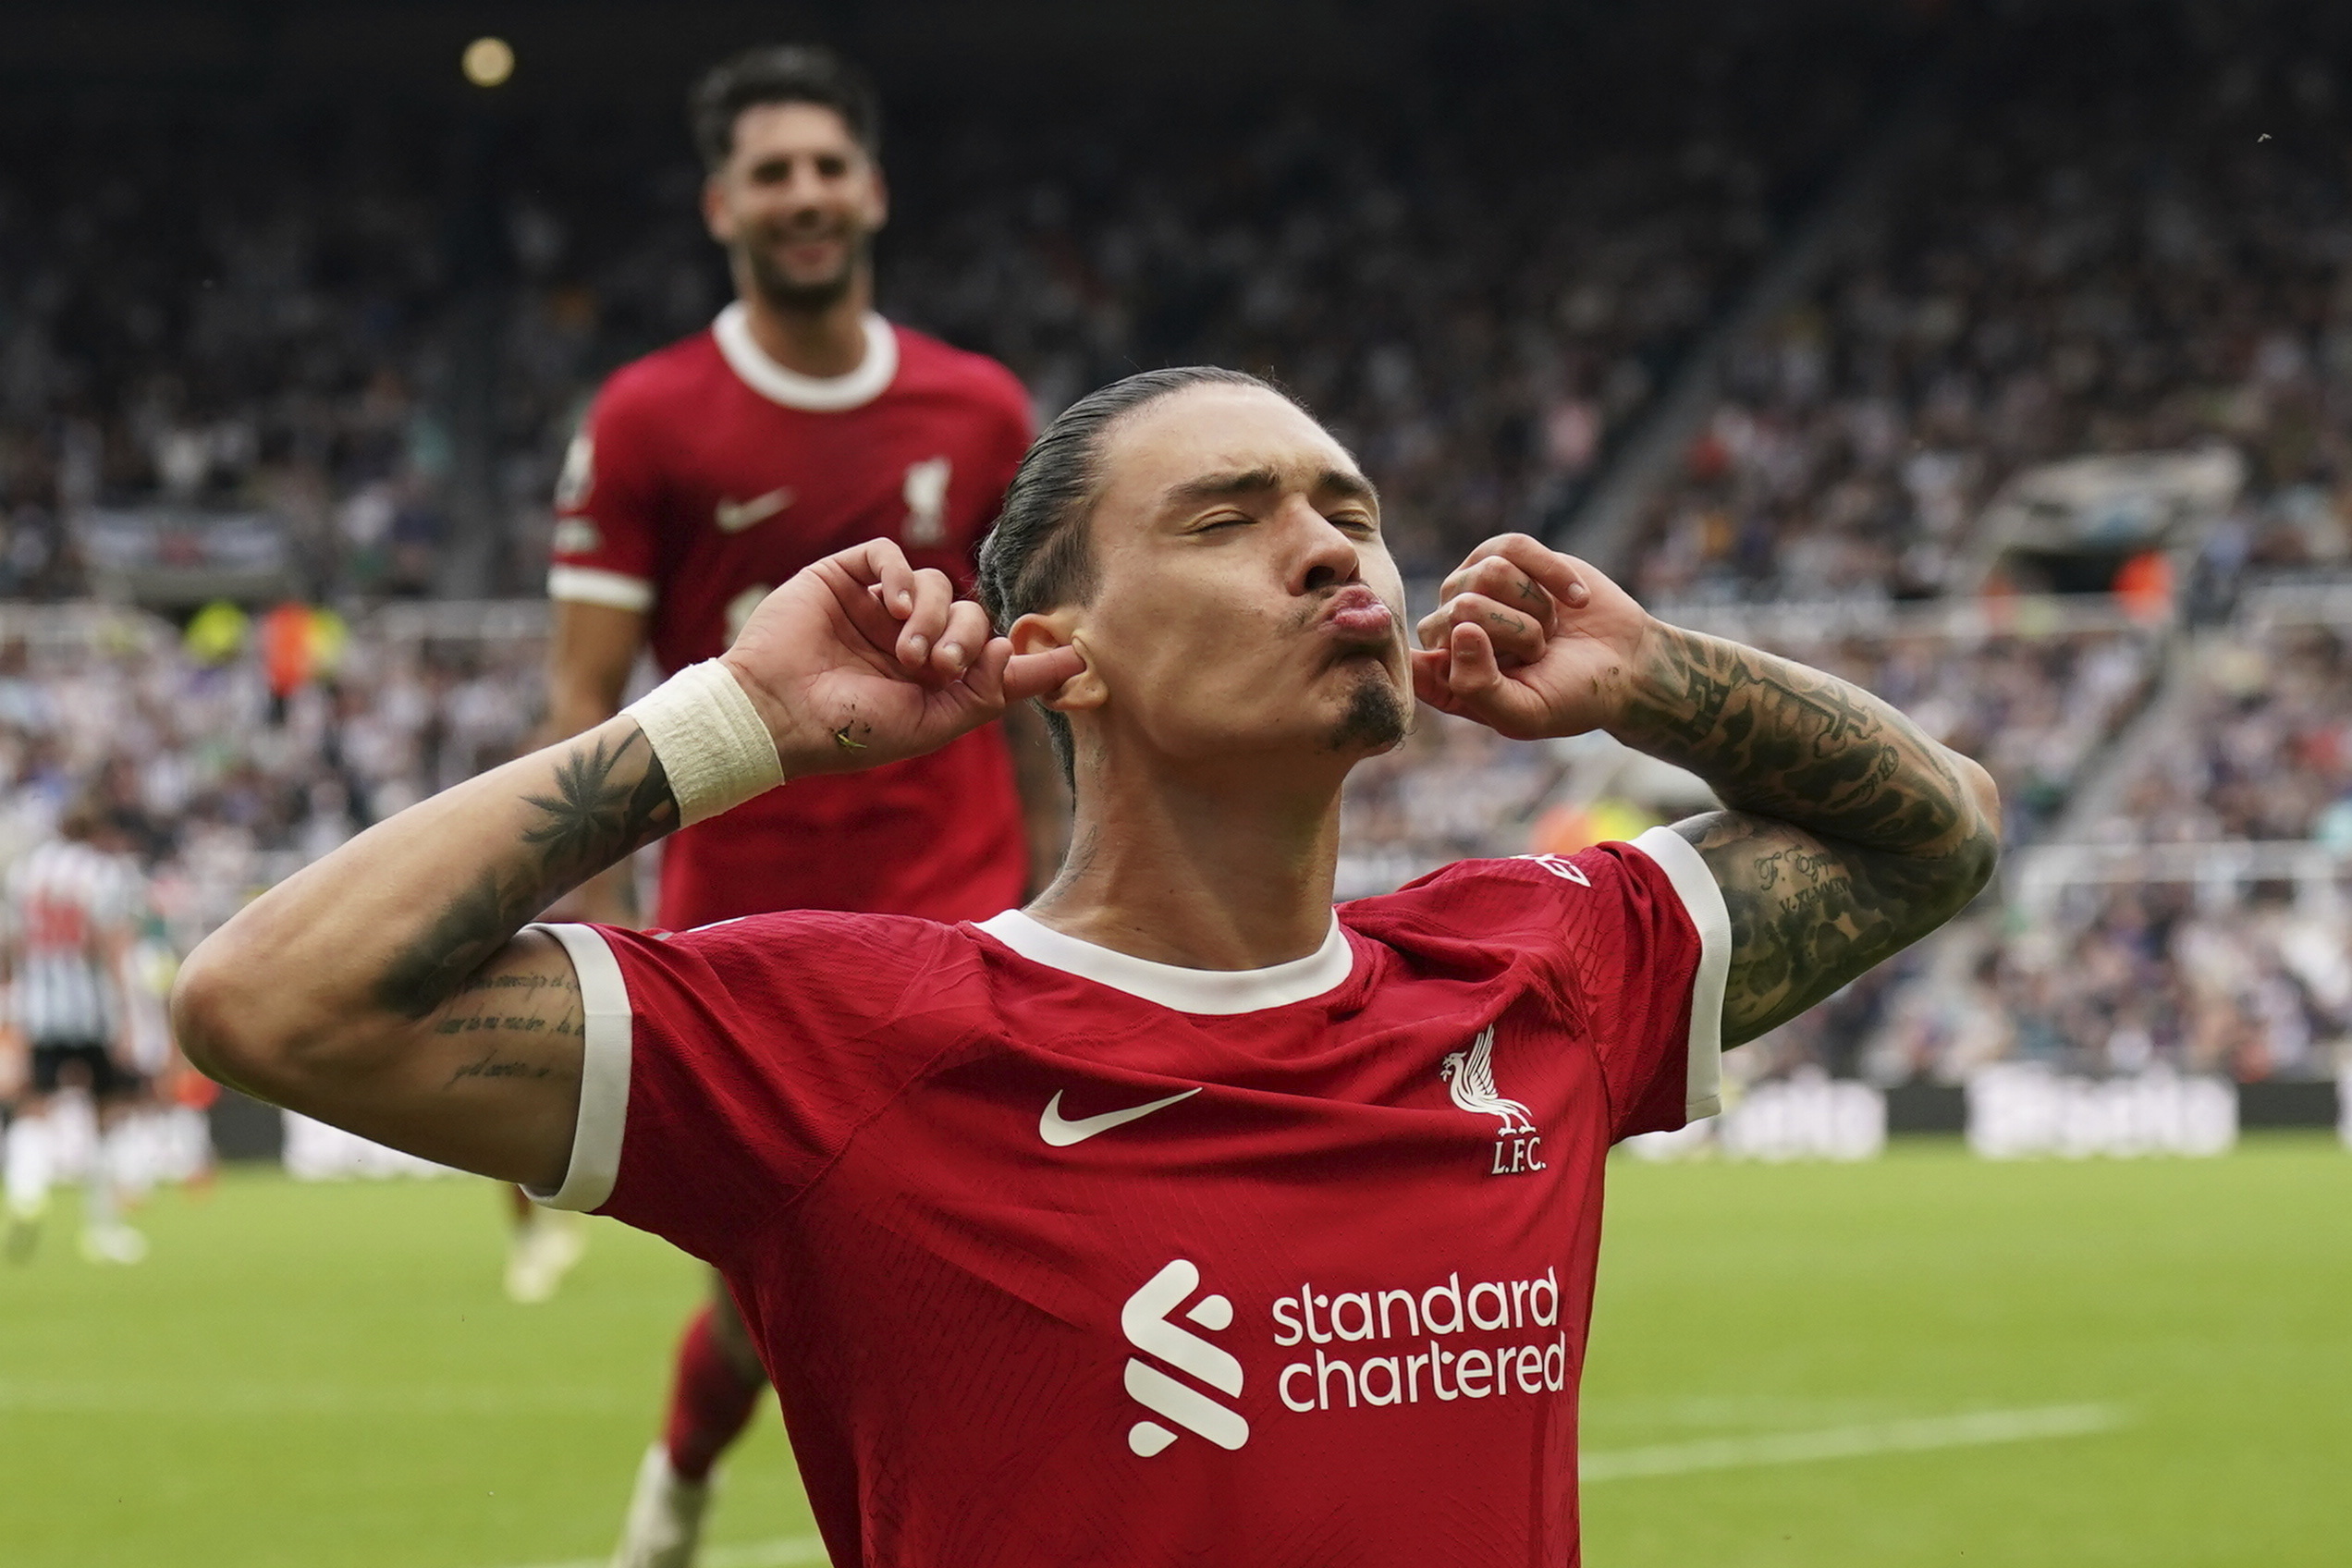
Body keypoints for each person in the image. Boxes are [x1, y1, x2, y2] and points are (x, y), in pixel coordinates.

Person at [174, 366, 2000, 1567]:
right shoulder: (848, 1043)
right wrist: (736, 714)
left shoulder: (1534, 970)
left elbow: (1940, 830)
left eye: (1349, 507)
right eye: (1229, 516)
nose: (1331, 548)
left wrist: (1665, 672)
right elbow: (271, 998)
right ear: (1060, 650)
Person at [522, 42, 1062, 1566]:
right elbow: (583, 699)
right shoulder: (648, 419)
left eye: (827, 165)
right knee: (783, 1288)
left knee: (977, 1269)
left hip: (964, 914)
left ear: (873, 187)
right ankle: (685, 1471)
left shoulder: (978, 407)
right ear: (721, 205)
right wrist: (592, 935)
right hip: (747, 937)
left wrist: (1067, 884)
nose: (805, 194)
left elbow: (1025, 685)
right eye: (772, 173)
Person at [5, 799, 151, 1265]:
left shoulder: (27, 874)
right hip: (91, 1011)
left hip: (40, 1007)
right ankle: (102, 1228)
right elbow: (109, 945)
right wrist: (128, 1017)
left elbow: (13, 942)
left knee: (34, 1104)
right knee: (105, 1111)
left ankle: (26, 1192)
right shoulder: (103, 873)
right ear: (98, 833)